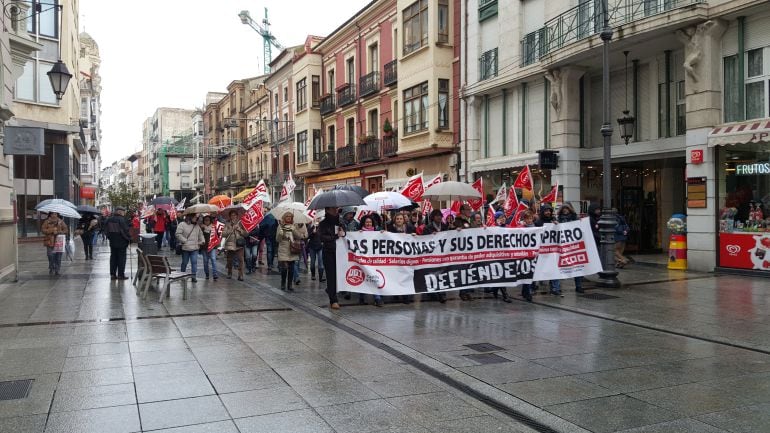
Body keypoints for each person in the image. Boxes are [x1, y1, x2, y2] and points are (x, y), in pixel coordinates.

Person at [319, 207, 345, 309]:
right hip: (329, 252)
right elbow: (321, 237)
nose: (336, 210)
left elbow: (345, 234)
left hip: (340, 252)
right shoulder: (323, 223)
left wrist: (343, 232)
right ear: (328, 210)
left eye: (336, 208)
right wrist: (334, 237)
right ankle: (333, 300)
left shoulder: (340, 221)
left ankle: (333, 291)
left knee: (340, 275)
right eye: (334, 208)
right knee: (331, 276)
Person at [535, 204, 562, 297]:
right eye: (546, 211)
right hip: (542, 251)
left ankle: (555, 288)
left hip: (552, 251)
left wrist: (557, 225)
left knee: (554, 268)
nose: (548, 212)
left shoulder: (554, 221)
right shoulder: (538, 222)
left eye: (549, 211)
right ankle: (533, 286)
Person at [276, 212, 307, 291]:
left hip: (293, 249)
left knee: (292, 268)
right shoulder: (280, 226)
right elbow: (277, 239)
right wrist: (281, 234)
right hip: (283, 248)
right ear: (284, 217)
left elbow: (299, 236)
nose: (289, 218)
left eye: (290, 217)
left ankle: (289, 284)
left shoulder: (294, 226)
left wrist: (294, 230)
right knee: (285, 267)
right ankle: (283, 283)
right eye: (287, 216)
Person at [557, 203, 584, 293]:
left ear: (570, 209)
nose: (565, 210)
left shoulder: (575, 218)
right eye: (563, 208)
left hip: (573, 246)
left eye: (567, 208)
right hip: (563, 246)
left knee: (577, 266)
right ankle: (558, 287)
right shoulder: (558, 219)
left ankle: (579, 286)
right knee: (560, 266)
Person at [422, 209, 448, 303]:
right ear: (433, 217)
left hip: (443, 254)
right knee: (433, 273)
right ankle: (432, 292)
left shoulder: (445, 226)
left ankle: (442, 294)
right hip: (432, 255)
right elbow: (423, 239)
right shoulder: (428, 228)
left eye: (440, 215)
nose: (439, 217)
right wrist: (430, 236)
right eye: (437, 215)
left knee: (442, 273)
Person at [357, 215, 383, 307]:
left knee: (374, 277)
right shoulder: (359, 233)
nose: (368, 224)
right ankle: (361, 297)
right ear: (363, 223)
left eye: (370, 222)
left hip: (374, 260)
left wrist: (383, 234)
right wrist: (358, 234)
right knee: (363, 278)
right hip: (363, 259)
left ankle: (377, 298)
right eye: (366, 222)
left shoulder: (377, 232)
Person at [176, 214, 205, 282]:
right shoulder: (182, 224)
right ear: (190, 217)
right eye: (195, 217)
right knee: (185, 262)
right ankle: (182, 275)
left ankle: (193, 276)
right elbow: (178, 234)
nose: (196, 218)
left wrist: (202, 241)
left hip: (195, 247)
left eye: (196, 217)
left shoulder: (197, 226)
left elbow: (200, 234)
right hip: (185, 248)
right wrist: (184, 240)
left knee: (194, 262)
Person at [105, 206, 131, 280]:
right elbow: (125, 230)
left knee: (113, 258)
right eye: (123, 211)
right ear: (120, 212)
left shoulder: (109, 219)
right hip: (122, 242)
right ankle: (120, 275)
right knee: (121, 259)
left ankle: (113, 274)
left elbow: (106, 230)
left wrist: (110, 237)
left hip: (112, 242)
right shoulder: (122, 220)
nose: (124, 213)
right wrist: (129, 238)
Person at [222, 210, 247, 281]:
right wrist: (231, 229)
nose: (233, 216)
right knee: (229, 260)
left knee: (240, 260)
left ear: (237, 216)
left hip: (239, 244)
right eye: (232, 215)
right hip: (230, 245)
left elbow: (246, 234)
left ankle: (240, 275)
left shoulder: (241, 223)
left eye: (235, 215)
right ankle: (229, 273)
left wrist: (239, 229)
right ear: (230, 216)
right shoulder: (227, 224)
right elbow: (223, 234)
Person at [41, 211, 68, 275]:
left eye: (55, 214)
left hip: (59, 241)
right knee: (50, 255)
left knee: (58, 256)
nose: (54, 215)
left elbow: (66, 230)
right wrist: (52, 230)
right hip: (49, 241)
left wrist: (60, 232)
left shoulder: (61, 222)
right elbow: (43, 230)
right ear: (50, 215)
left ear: (57, 215)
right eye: (52, 214)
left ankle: (57, 269)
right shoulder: (47, 222)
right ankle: (51, 267)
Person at [199, 215, 219, 280]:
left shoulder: (214, 227)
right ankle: (207, 274)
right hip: (204, 247)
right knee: (205, 261)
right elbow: (199, 236)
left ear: (210, 221)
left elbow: (217, 235)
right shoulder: (201, 227)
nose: (207, 221)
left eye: (208, 220)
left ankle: (215, 274)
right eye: (205, 220)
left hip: (212, 246)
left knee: (213, 259)